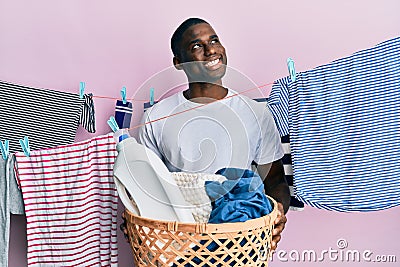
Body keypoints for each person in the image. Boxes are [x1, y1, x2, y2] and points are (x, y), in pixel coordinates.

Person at [122, 17, 290, 251]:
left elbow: (275, 182)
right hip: (179, 244)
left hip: (241, 243)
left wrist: (278, 214)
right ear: (179, 62)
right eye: (197, 46)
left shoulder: (255, 113)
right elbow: (148, 188)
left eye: (214, 40)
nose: (211, 50)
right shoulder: (156, 117)